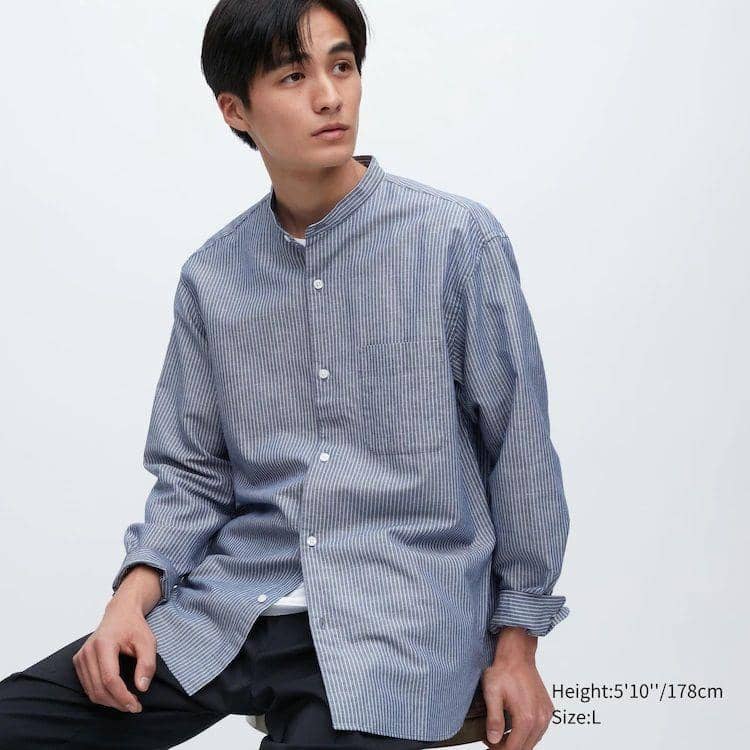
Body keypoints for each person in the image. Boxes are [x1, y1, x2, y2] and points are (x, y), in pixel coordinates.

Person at [0, 1, 571, 748]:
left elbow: (519, 452)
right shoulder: (213, 278)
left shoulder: (456, 241)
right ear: (234, 110)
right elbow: (193, 474)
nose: (330, 96)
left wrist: (518, 646)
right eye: (294, 76)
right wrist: (129, 601)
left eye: (342, 66)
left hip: (393, 629)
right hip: (231, 608)